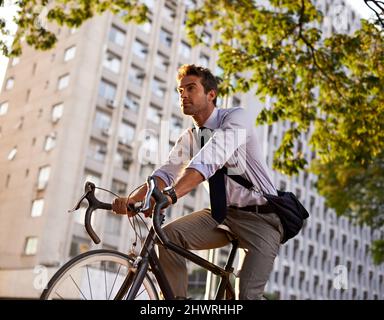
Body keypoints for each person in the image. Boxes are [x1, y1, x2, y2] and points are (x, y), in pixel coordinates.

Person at [112, 64, 283, 300]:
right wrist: (132, 200)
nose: (183, 94)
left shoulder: (235, 118)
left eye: (190, 88)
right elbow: (164, 174)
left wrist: (171, 195)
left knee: (247, 297)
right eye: (180, 90)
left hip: (262, 218)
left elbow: (209, 159)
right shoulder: (190, 138)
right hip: (223, 215)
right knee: (168, 236)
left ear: (211, 94)